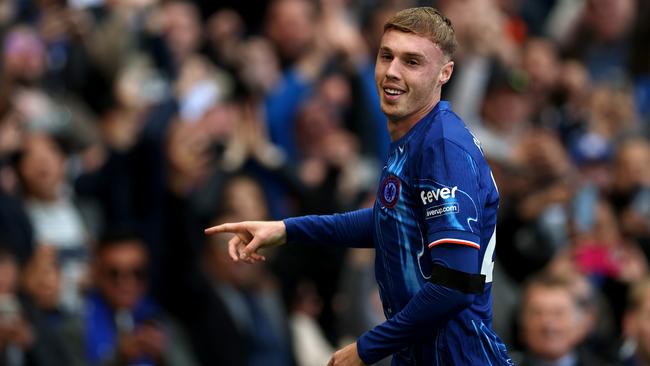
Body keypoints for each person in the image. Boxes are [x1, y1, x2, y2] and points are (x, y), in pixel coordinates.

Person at [206, 7, 513, 365]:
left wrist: (366, 349)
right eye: (387, 56)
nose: (392, 71)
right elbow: (389, 222)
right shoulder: (414, 138)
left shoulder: (441, 146)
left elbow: (454, 283)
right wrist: (286, 229)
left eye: (412, 62)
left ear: (445, 73)